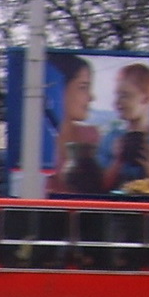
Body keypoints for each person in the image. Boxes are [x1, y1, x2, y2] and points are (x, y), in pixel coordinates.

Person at [97, 63, 149, 192]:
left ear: (145, 98)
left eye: (124, 95)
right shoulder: (110, 139)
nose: (117, 102)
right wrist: (117, 161)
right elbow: (96, 189)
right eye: (117, 95)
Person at [48, 54, 103, 194]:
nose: (91, 97)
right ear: (59, 90)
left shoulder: (92, 137)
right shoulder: (36, 145)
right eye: (83, 87)